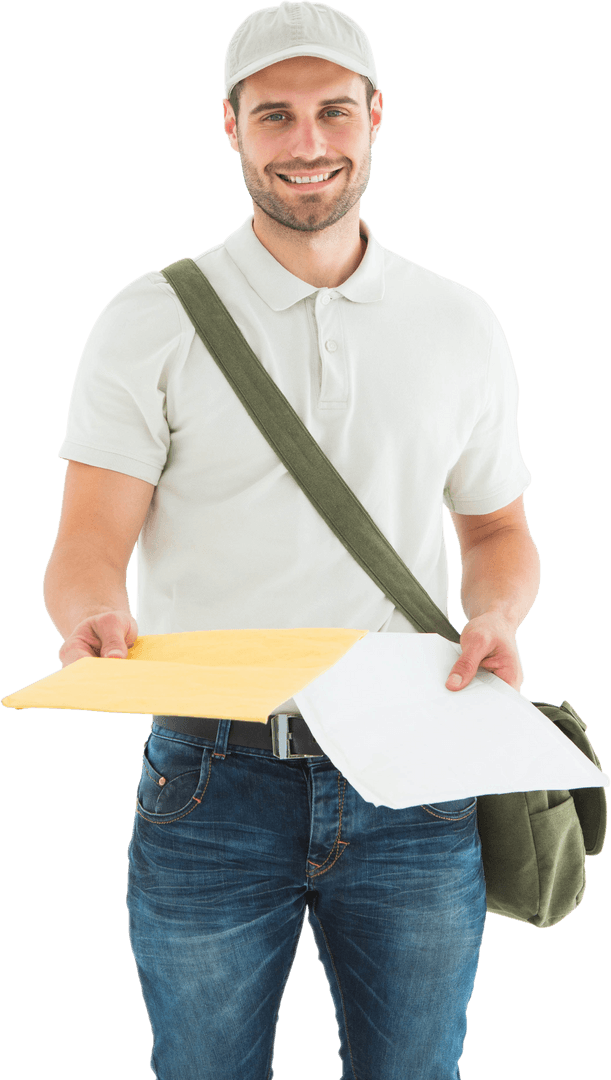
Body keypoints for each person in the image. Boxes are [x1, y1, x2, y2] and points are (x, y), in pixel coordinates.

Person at [42, 2, 540, 1077]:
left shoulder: (456, 321)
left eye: (329, 112)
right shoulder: (150, 317)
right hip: (209, 776)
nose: (305, 144)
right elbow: (87, 539)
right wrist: (90, 611)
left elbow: (496, 528)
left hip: (416, 775)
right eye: (274, 116)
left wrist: (493, 611)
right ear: (230, 126)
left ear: (373, 117)